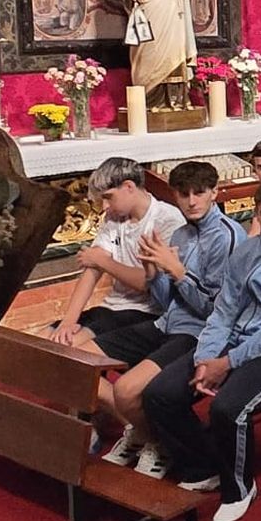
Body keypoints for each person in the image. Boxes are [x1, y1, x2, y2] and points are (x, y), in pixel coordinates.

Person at [143, 176, 261, 521]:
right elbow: (224, 310)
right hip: (237, 340)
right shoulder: (246, 251)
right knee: (161, 393)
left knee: (227, 407)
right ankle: (204, 465)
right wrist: (205, 357)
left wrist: (228, 362)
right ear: (255, 213)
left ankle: (239, 488)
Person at [98, 160, 241, 477]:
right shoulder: (180, 234)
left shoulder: (227, 237)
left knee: (126, 390)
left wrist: (177, 272)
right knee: (79, 361)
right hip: (167, 322)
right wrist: (152, 272)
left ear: (214, 192)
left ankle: (158, 443)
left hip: (199, 333)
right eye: (183, 194)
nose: (191, 201)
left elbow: (217, 311)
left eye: (199, 193)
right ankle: (148, 435)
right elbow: (166, 301)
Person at [49, 156, 184, 366]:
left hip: (146, 312)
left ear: (129, 187)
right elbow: (92, 270)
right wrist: (68, 321)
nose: (104, 206)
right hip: (112, 306)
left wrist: (102, 261)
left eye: (108, 198)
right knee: (43, 342)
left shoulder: (167, 220)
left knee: (70, 356)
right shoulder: (114, 219)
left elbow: (148, 283)